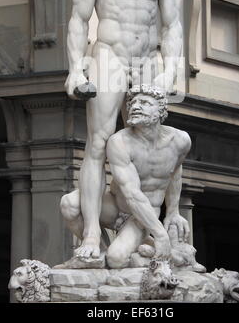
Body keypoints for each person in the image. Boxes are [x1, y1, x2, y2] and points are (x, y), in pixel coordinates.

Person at [65, 0, 183, 259]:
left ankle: (155, 227)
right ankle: (88, 235)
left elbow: (172, 26)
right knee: (98, 144)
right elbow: (79, 21)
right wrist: (74, 69)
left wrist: (171, 72)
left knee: (155, 142)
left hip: (148, 60)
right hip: (109, 57)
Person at [61, 85, 191, 268]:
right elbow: (132, 193)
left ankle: (146, 250)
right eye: (133, 102)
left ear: (161, 110)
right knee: (69, 203)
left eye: (145, 102)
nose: (136, 106)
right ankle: (98, 255)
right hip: (116, 205)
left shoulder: (181, 140)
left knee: (117, 259)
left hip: (142, 216)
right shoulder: (120, 142)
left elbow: (174, 172)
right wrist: (161, 234)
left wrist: (173, 211)